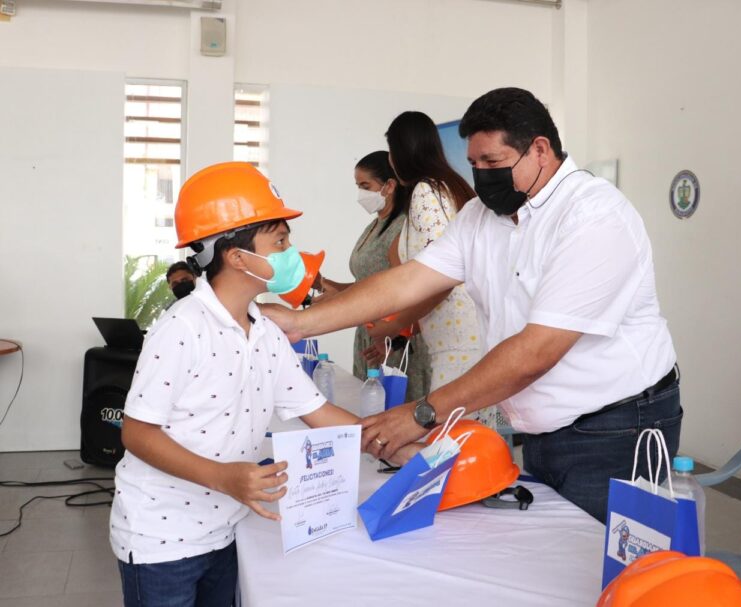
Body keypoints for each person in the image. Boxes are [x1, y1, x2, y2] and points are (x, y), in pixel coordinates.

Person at [262, 88, 682, 523]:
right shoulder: (481, 217)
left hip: (616, 427)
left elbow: (535, 352)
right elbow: (407, 283)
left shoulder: (594, 217)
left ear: (540, 150)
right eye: (475, 163)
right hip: (544, 428)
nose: (481, 175)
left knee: (605, 566)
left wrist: (423, 413)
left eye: (493, 163)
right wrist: (301, 323)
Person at [109, 162, 416, 606]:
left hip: (227, 528)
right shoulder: (182, 329)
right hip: (162, 536)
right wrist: (225, 478)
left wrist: (395, 445)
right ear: (237, 257)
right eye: (280, 241)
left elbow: (321, 412)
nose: (292, 251)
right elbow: (136, 432)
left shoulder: (266, 330)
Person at [383, 111, 494, 428]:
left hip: (457, 343)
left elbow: (440, 277)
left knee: (452, 446)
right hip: (459, 336)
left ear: (403, 152)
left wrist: (395, 325)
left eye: (392, 152)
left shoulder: (425, 191)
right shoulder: (451, 188)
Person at [316, 151, 431, 401]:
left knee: (392, 415)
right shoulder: (375, 226)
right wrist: (325, 284)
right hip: (370, 335)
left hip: (396, 342)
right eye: (358, 186)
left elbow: (409, 292)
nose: (361, 194)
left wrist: (396, 339)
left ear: (389, 186)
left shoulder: (402, 229)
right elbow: (365, 285)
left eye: (366, 186)